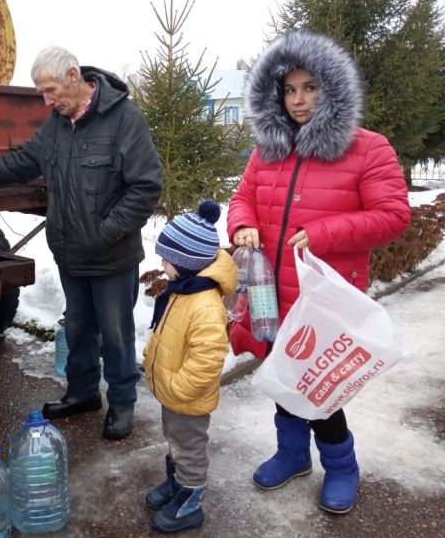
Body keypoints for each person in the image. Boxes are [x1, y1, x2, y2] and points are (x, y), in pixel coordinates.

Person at [227, 30, 411, 514]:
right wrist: (243, 225)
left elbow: (394, 215)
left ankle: (342, 467)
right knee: (280, 377)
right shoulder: (267, 149)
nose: (298, 99)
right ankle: (292, 455)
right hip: (270, 292)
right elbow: (243, 198)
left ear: (331, 87)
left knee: (321, 391)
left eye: (309, 87)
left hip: (324, 298)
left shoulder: (367, 148)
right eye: (289, 89)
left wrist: (325, 233)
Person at [0, 46, 163, 440]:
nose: (46, 100)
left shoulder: (123, 119)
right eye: (41, 92)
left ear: (74, 76)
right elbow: (20, 163)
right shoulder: (56, 125)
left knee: (116, 333)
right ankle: (83, 393)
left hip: (111, 256)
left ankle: (122, 403)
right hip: (71, 255)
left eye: (50, 89)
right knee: (78, 327)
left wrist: (105, 234)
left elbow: (146, 186)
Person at [142, 201, 237, 533]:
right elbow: (169, 334)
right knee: (175, 439)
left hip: (188, 398)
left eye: (166, 259)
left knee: (189, 447)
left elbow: (208, 359)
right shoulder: (184, 290)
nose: (163, 264)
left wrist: (180, 388)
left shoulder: (205, 305)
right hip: (174, 394)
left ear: (186, 262)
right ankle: (176, 484)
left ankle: (190, 502)